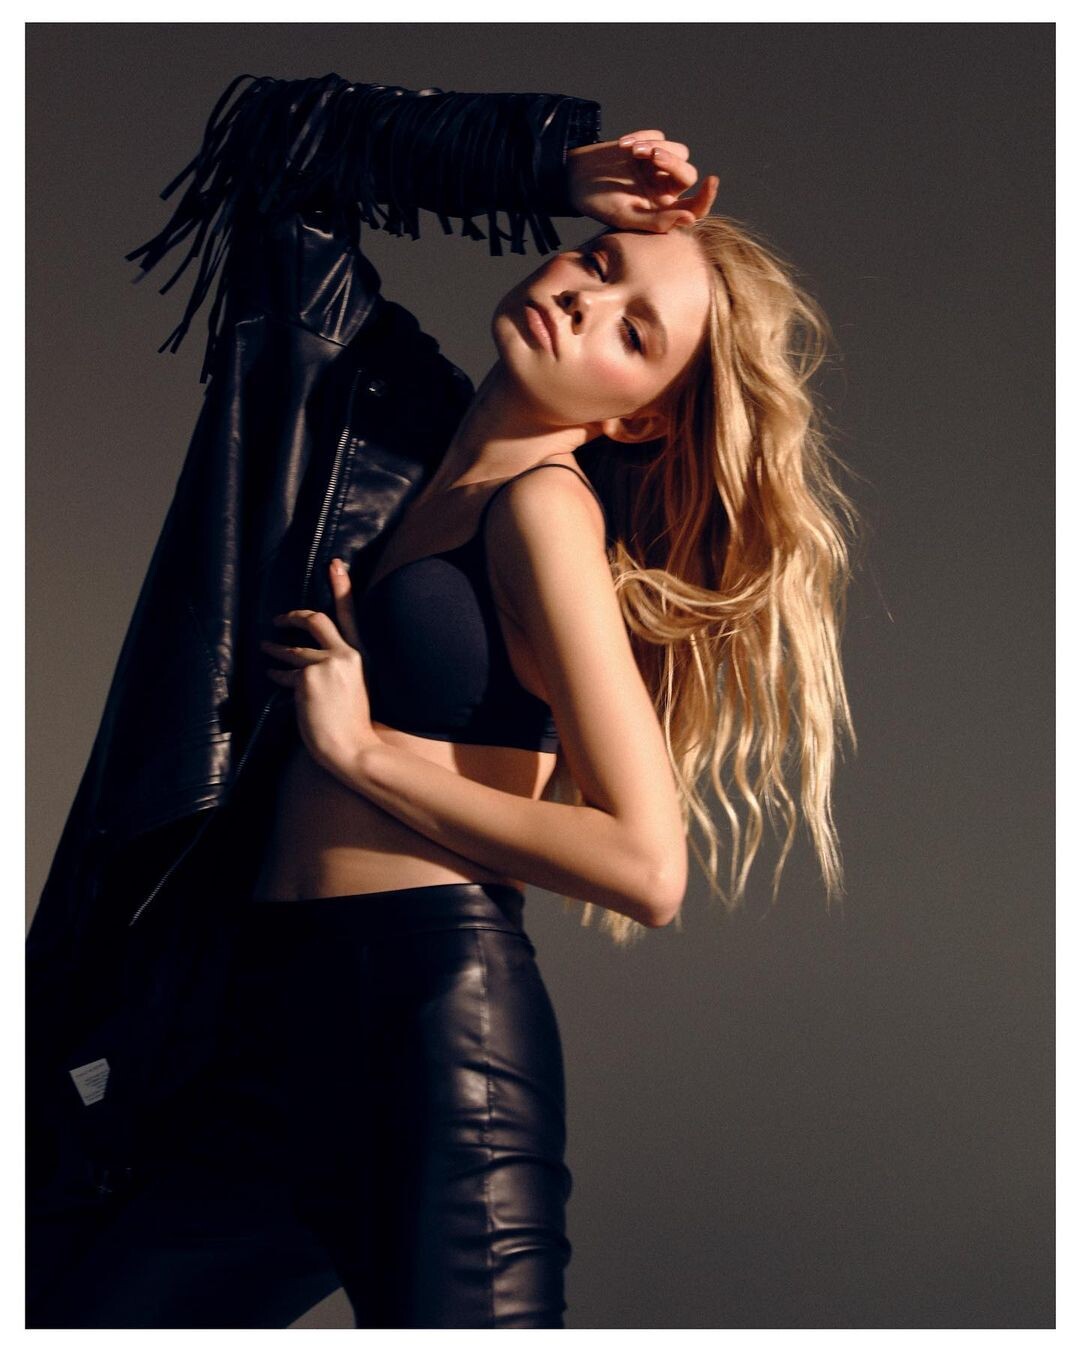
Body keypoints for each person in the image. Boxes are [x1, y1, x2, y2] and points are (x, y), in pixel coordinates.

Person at [27, 70, 856, 1329]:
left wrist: (365, 754)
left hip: (430, 1039)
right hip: (265, 1034)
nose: (584, 297)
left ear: (640, 424)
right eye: (596, 261)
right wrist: (547, 166)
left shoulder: (545, 513)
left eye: (633, 334)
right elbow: (275, 157)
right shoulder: (379, 428)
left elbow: (646, 863)